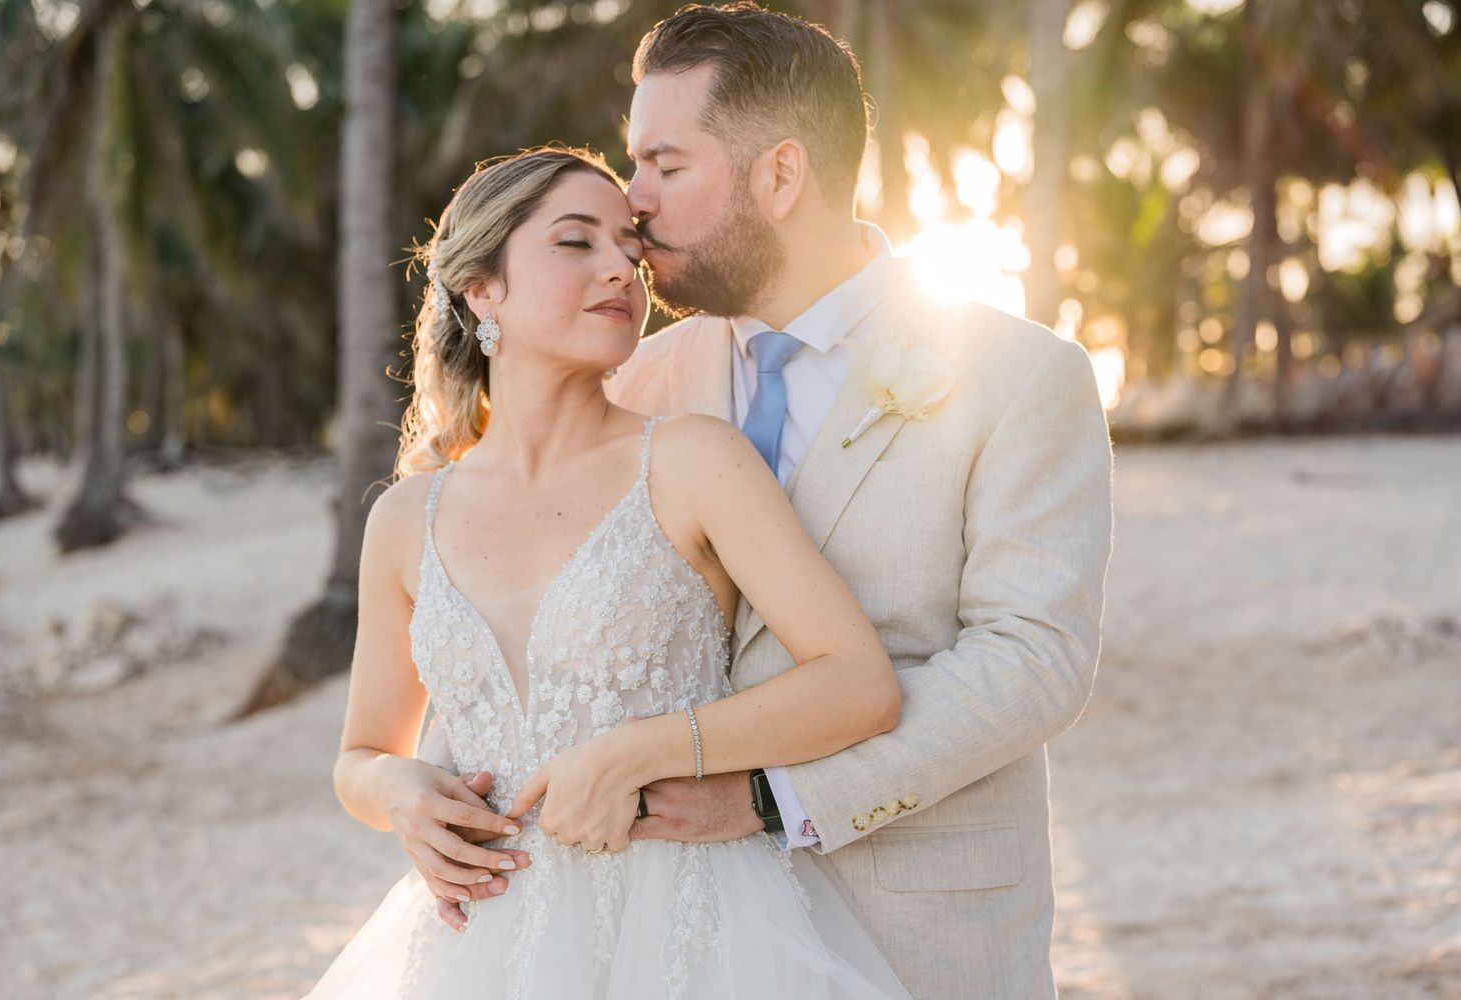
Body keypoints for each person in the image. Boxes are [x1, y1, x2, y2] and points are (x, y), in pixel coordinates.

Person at [416, 6, 1115, 999]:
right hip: (666, 937)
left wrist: (768, 796)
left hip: (918, 923)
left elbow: (1032, 662)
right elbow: (520, 601)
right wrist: (422, 789)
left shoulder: (1018, 375)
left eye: (664, 165)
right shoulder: (636, 381)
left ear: (780, 176)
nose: (634, 202)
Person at [302, 145, 913, 998]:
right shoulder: (408, 518)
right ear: (482, 288)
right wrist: (397, 789)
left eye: (628, 246)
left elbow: (858, 684)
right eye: (574, 242)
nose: (621, 269)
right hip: (473, 943)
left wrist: (640, 752)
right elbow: (361, 753)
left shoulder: (693, 459)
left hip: (689, 931)